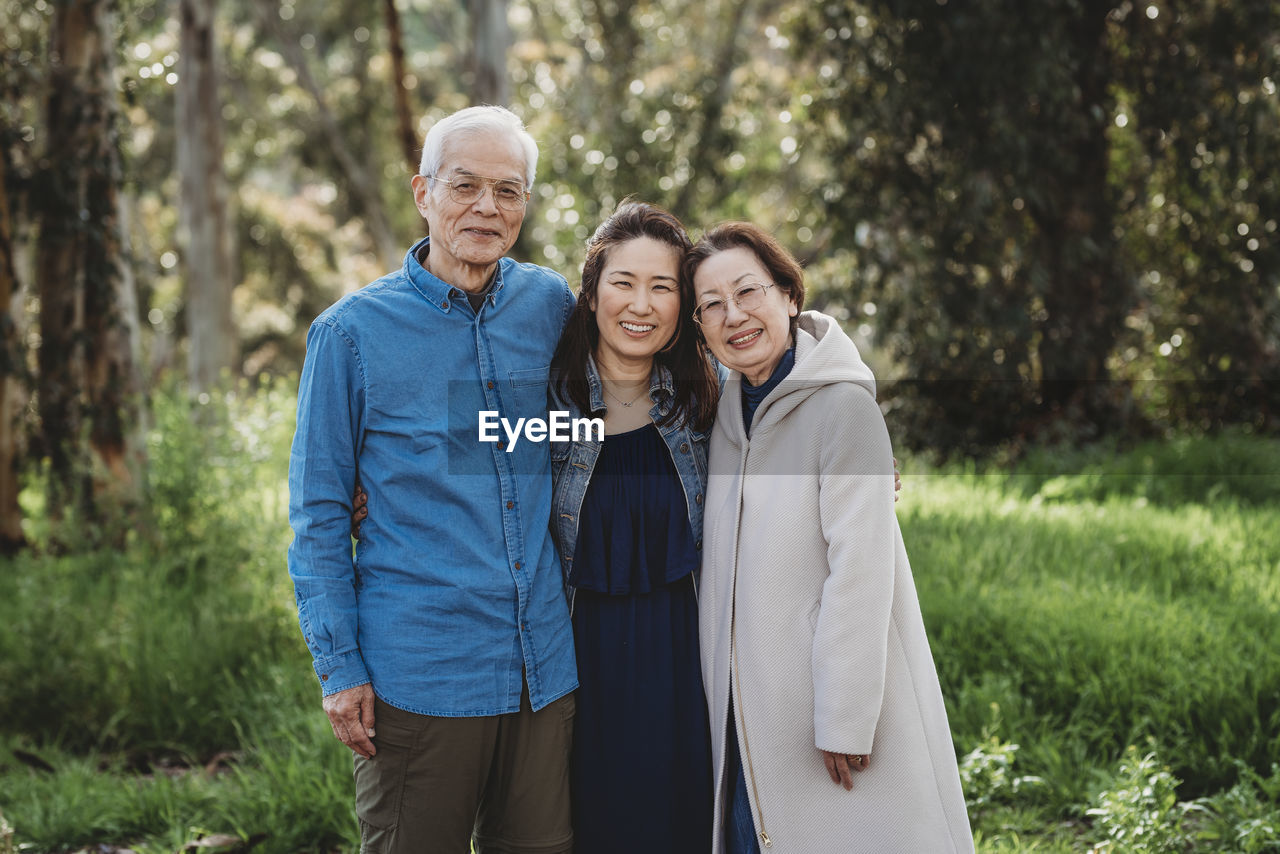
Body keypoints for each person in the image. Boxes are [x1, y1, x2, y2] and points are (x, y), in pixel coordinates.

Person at [287, 105, 577, 854]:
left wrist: (809, 418)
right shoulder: (349, 336)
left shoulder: (551, 307)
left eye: (508, 191)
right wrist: (339, 667)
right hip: (421, 678)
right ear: (423, 192)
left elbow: (651, 386)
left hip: (545, 672)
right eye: (465, 185)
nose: (487, 207)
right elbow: (318, 515)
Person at [685, 222, 974, 853]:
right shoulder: (722, 417)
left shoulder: (844, 409)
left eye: (748, 291)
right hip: (742, 713)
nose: (734, 316)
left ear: (789, 294)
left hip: (822, 713)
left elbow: (861, 572)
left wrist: (843, 716)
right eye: (711, 305)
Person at [546, 201, 720, 853]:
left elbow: (795, 419)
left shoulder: (708, 404)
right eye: (623, 282)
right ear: (591, 294)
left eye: (662, 287)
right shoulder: (547, 404)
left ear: (684, 305)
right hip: (577, 663)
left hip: (686, 663)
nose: (641, 305)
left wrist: (860, 456)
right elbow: (472, 465)